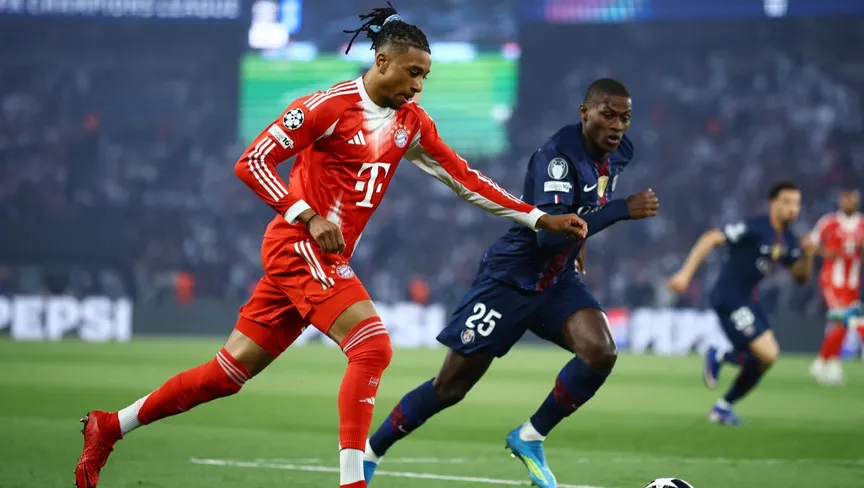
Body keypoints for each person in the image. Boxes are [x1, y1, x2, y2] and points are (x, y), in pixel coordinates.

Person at [73, 5, 588, 488]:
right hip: (297, 245)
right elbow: (252, 162)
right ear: (381, 62)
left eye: (425, 76)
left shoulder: (411, 123)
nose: (418, 85)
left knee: (226, 374)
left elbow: (465, 179)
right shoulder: (326, 108)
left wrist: (539, 217)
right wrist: (308, 215)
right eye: (412, 72)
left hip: (324, 258)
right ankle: (353, 481)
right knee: (372, 345)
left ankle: (109, 426)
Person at [364, 79, 658, 488]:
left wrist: (582, 242)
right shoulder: (557, 159)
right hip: (509, 279)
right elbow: (549, 236)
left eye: (624, 118)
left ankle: (530, 437)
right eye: (607, 115)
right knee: (450, 388)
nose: (617, 126)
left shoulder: (619, 153)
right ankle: (371, 451)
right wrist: (622, 210)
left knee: (600, 351)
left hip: (556, 281)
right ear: (584, 112)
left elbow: (586, 204)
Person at [668, 182, 815, 425]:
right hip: (729, 296)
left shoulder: (788, 239)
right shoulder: (756, 228)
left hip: (748, 300)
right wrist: (685, 274)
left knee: (768, 357)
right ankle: (720, 356)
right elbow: (711, 237)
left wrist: (808, 254)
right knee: (766, 353)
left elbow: (800, 277)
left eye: (797, 203)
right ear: (773, 204)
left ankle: (723, 406)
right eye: (787, 202)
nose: (793, 208)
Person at [807, 189, 864, 385]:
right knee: (846, 318)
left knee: (841, 324)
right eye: (845, 199)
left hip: (852, 284)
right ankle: (832, 363)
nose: (848, 203)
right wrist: (825, 251)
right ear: (840, 201)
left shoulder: (862, 224)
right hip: (832, 280)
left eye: (852, 199)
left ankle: (822, 362)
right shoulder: (829, 222)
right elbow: (810, 243)